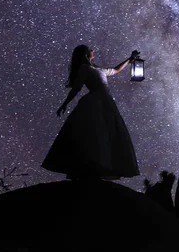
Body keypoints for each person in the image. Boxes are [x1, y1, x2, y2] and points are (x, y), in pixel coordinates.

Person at [42, 45, 141, 180]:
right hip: (96, 101)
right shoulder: (84, 68)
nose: (93, 50)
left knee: (106, 133)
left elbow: (115, 70)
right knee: (95, 134)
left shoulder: (97, 69)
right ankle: (91, 168)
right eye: (90, 49)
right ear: (85, 54)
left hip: (106, 102)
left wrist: (130, 59)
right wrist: (65, 104)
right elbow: (76, 88)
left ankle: (99, 168)